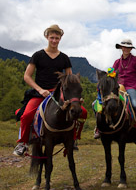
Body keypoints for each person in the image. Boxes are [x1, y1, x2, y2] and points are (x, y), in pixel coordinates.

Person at [13, 24, 87, 156]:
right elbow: (27, 76)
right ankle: (22, 143)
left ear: (60, 39)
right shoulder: (38, 55)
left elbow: (70, 78)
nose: (54, 40)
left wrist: (74, 95)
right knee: (26, 115)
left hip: (60, 95)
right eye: (52, 37)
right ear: (47, 37)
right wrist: (40, 90)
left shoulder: (64, 58)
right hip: (40, 92)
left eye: (57, 38)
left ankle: (74, 139)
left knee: (82, 113)